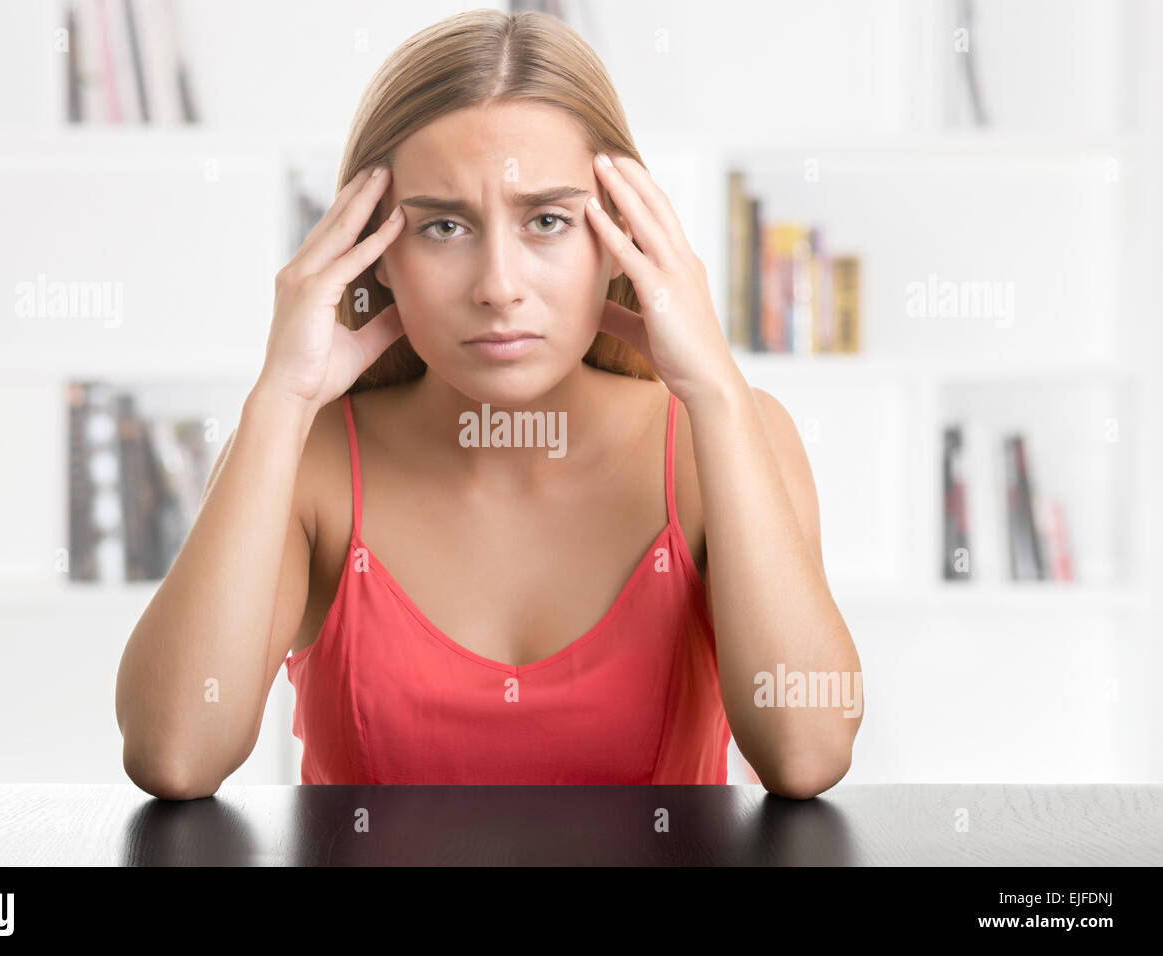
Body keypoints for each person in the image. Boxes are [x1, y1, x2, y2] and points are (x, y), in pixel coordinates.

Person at [115, 9, 862, 798]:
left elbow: (807, 753)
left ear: (617, 241)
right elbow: (173, 753)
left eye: (547, 220)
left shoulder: (730, 438)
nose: (498, 287)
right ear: (374, 254)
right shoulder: (308, 457)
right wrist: (279, 398)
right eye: (443, 226)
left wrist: (715, 390)